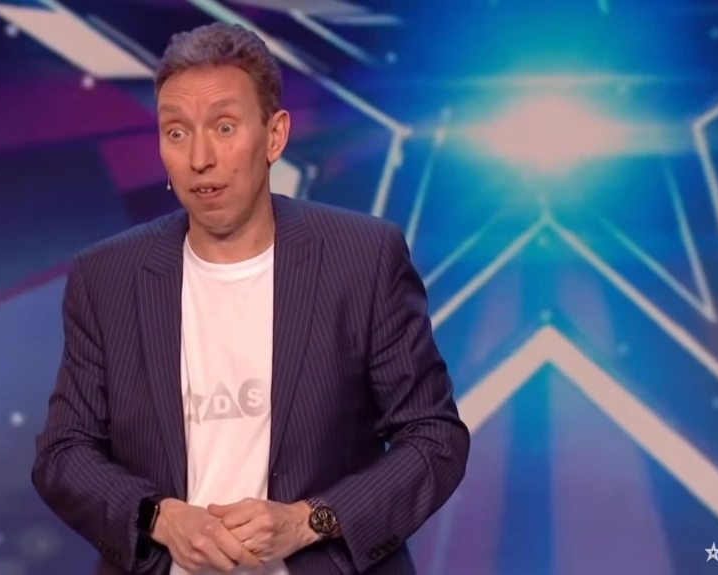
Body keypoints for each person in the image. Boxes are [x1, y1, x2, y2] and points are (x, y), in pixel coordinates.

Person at [32, 21, 470, 575]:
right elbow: (64, 453)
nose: (199, 158)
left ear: (275, 135)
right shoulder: (107, 277)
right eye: (176, 132)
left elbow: (433, 438)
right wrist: (159, 518)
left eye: (224, 127)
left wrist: (308, 522)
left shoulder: (362, 258)